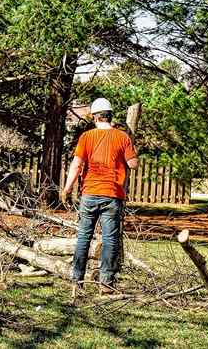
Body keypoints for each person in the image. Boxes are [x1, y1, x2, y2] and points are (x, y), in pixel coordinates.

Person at [61, 98, 138, 295]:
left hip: (89, 193)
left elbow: (76, 165)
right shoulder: (122, 137)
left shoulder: (86, 137)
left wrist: (67, 189)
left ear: (95, 117)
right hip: (112, 194)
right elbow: (133, 164)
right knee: (110, 239)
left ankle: (76, 282)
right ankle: (106, 284)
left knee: (83, 237)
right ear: (110, 116)